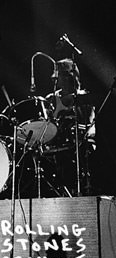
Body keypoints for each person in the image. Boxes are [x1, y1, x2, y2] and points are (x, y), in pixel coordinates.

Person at [45, 58, 96, 195]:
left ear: (70, 76)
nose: (55, 79)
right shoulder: (52, 98)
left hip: (80, 146)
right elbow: (47, 125)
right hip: (58, 147)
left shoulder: (85, 98)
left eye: (59, 75)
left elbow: (91, 128)